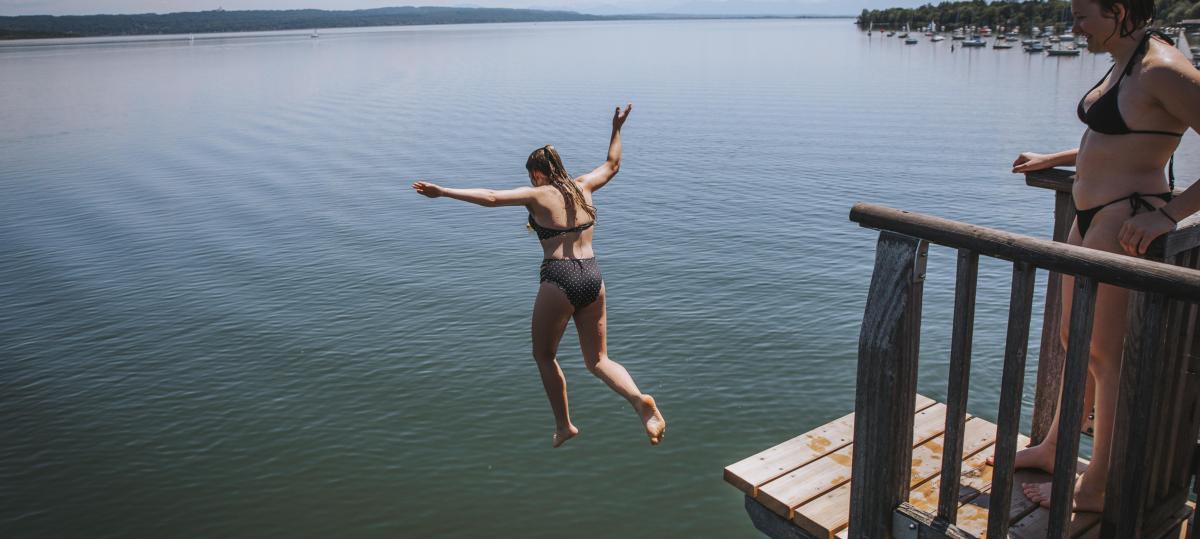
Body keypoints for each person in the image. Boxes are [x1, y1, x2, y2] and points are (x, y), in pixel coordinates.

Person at [996, 0, 1200, 512]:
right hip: (1087, 216)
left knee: (1107, 357)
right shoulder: (1123, 62)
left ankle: (1097, 485)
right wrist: (1058, 158)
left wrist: (1169, 215)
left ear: (1119, 11)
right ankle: (1056, 446)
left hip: (1122, 218)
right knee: (1073, 339)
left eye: (1083, 14)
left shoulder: (1165, 70)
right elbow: (1112, 136)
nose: (1074, 25)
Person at [411, 104, 666, 448]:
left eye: (532, 175)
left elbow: (490, 197)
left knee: (544, 356)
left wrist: (442, 192)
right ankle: (638, 400)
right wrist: (616, 128)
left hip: (559, 278)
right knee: (598, 360)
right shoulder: (584, 186)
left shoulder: (536, 195)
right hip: (592, 275)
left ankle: (564, 425)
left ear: (539, 173)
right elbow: (613, 164)